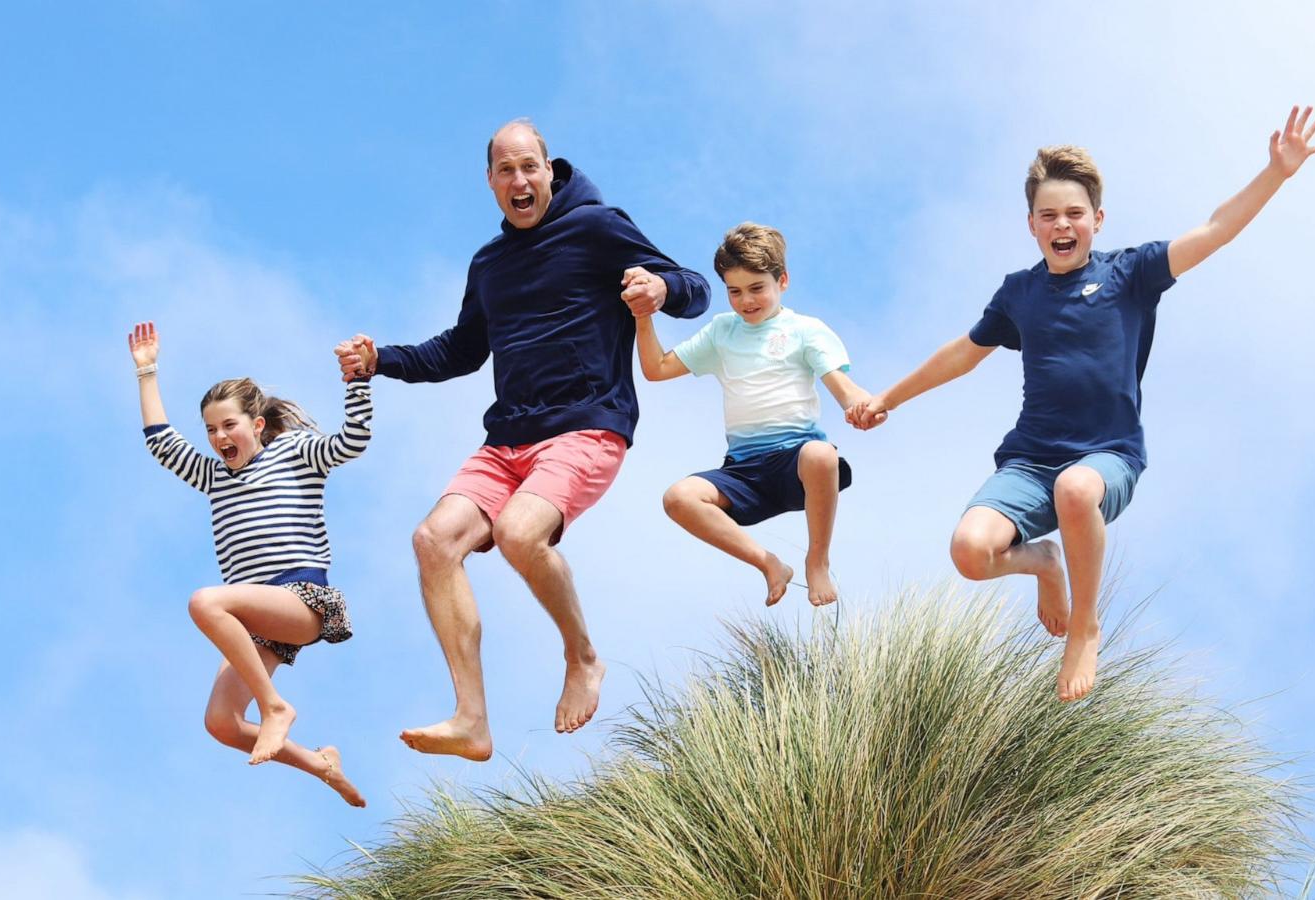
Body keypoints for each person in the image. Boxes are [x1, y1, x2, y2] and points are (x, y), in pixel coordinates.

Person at [849, 106, 1315, 702]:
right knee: (970, 553)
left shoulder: (1131, 273)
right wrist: (888, 398)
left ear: (1096, 220)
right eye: (1048, 215)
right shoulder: (1019, 292)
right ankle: (1045, 563)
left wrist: (1276, 174)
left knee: (1076, 489)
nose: (1062, 224)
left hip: (1108, 456)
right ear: (1031, 225)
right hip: (1028, 461)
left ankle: (1085, 626)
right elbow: (963, 353)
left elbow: (1216, 228)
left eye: (1074, 213)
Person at [335, 119, 709, 759]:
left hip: (588, 423)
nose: (519, 180)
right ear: (490, 182)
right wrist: (380, 361)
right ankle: (472, 720)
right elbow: (458, 351)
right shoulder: (490, 264)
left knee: (517, 532)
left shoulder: (597, 227)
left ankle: (582, 656)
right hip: (508, 438)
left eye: (528, 167)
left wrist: (659, 287)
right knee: (433, 541)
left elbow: (695, 291)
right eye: (505, 171)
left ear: (548, 168)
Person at [129, 320, 371, 806]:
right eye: (211, 429)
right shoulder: (214, 476)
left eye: (229, 425)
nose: (219, 436)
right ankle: (321, 764)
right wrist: (147, 372)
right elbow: (160, 441)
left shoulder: (293, 453)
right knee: (221, 723)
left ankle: (275, 707)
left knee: (205, 602)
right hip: (256, 620)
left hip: (301, 599)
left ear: (257, 425)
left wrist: (358, 382)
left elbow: (352, 443)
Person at [634, 222, 870, 607]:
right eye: (734, 291)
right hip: (744, 471)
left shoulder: (806, 330)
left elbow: (843, 387)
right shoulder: (722, 332)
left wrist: (858, 405)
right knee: (678, 497)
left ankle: (817, 560)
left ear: (783, 281)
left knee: (821, 453)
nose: (746, 301)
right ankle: (769, 564)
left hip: (797, 464)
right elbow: (656, 369)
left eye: (757, 288)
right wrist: (643, 316)